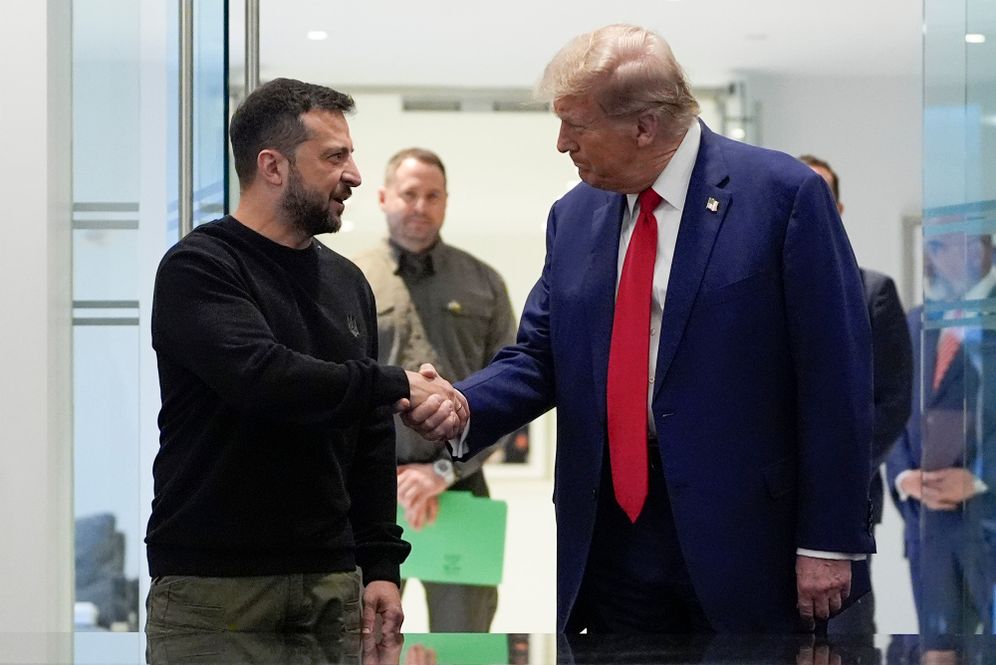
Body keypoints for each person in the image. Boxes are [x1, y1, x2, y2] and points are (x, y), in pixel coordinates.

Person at [407, 24, 876, 633]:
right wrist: (465, 405)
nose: (560, 143)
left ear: (644, 126)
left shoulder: (782, 197)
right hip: (609, 539)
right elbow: (542, 354)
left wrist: (829, 540)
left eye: (576, 124)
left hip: (750, 540)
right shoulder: (573, 215)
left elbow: (836, 375)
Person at [145, 78, 466, 637]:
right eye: (334, 157)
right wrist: (397, 384)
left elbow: (368, 440)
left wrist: (381, 566)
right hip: (216, 589)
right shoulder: (199, 267)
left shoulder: (348, 283)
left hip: (333, 585)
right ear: (273, 166)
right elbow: (263, 378)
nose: (355, 176)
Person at [353, 147, 517, 632]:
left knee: (465, 640)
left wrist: (444, 471)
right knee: (368, 635)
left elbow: (510, 391)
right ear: (384, 197)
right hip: (371, 501)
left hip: (462, 494)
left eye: (432, 196)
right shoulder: (350, 280)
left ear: (446, 202)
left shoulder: (484, 283)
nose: (419, 206)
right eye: (408, 194)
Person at [799, 154, 913, 635]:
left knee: (846, 638)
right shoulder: (750, 293)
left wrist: (836, 474)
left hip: (846, 508)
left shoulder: (873, 291)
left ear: (839, 209)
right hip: (760, 509)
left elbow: (893, 403)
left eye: (821, 198)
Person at [886, 232, 996, 651]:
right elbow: (890, 407)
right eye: (934, 245)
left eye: (953, 242)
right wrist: (903, 478)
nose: (942, 256)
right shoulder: (915, 322)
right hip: (927, 529)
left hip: (988, 521)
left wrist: (982, 477)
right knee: (938, 654)